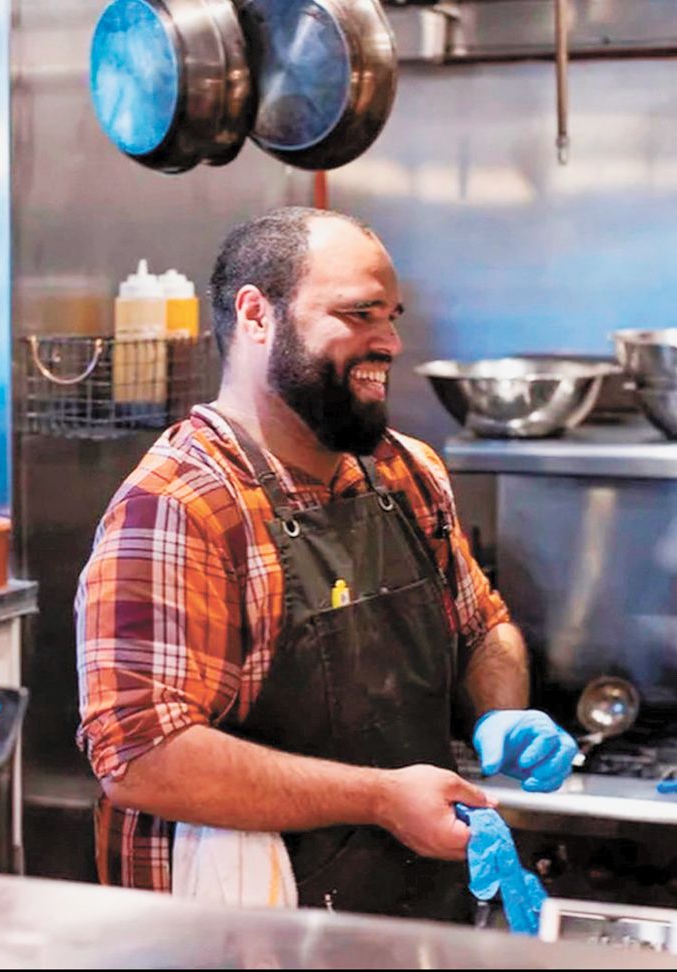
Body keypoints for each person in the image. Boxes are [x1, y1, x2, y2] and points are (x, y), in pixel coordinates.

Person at [75, 207, 577, 921]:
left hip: (408, 910)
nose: (391, 342)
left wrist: (503, 713)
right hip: (245, 927)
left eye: (392, 315)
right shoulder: (180, 505)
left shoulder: (406, 472)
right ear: (256, 315)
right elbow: (141, 758)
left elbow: (480, 625)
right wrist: (380, 799)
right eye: (359, 314)